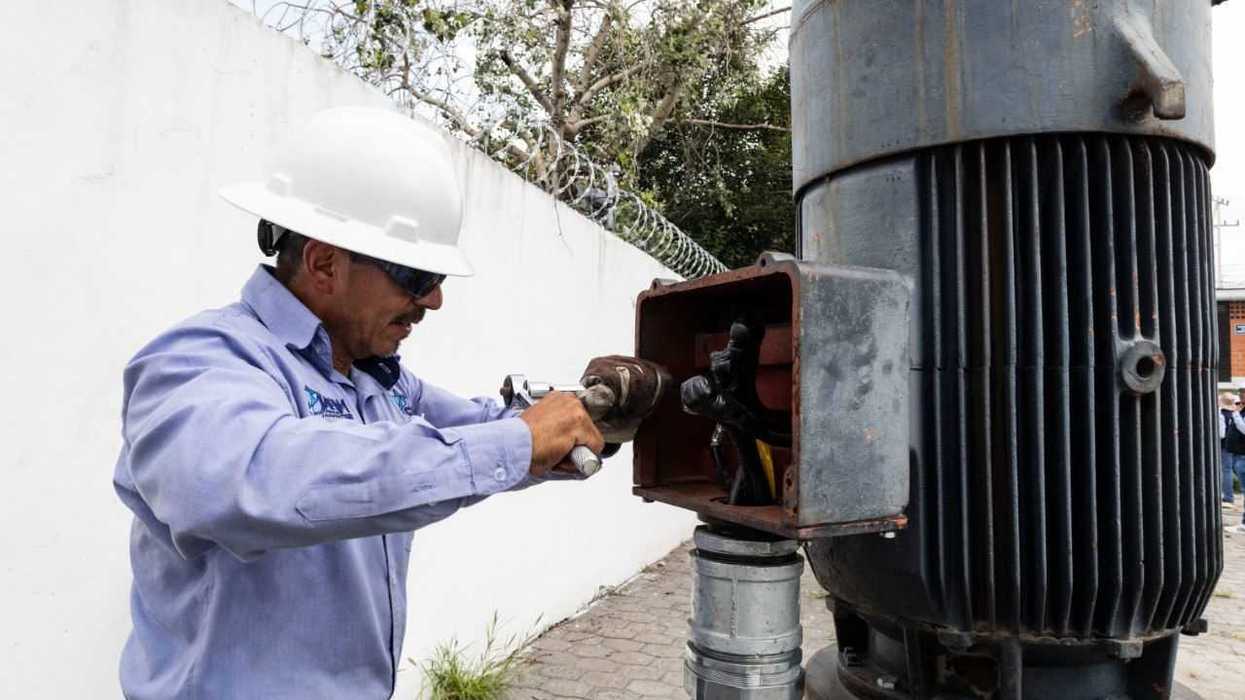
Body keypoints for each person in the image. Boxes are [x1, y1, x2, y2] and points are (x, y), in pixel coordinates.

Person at [112, 107, 661, 699]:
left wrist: (588, 413)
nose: (434, 301)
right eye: (417, 276)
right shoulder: (200, 360)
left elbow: (478, 428)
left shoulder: (377, 380)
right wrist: (520, 441)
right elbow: (251, 477)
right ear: (324, 261)